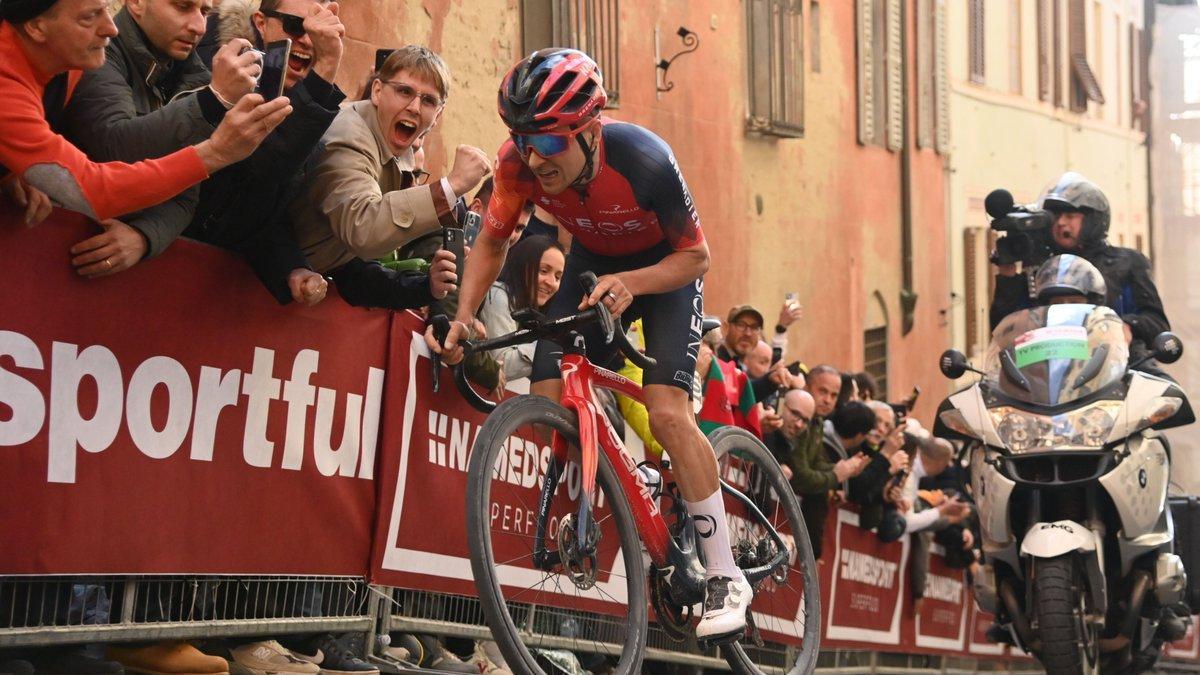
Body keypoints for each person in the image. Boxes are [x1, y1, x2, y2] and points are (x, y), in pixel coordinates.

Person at [429, 48, 751, 641]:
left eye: (550, 143)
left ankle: (727, 576)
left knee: (665, 412)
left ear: (590, 129)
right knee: (551, 394)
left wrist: (633, 283)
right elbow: (494, 244)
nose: (534, 157)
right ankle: (637, 482)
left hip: (665, 272)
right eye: (523, 140)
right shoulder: (518, 166)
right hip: (594, 262)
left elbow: (697, 256)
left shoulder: (644, 159)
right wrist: (465, 316)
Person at [0, 0, 291, 228]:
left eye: (104, 8)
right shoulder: (8, 88)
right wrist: (216, 152)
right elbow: (93, 186)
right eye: (89, 16)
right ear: (36, 27)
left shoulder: (74, 56)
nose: (110, 28)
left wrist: (17, 170)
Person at [290, 45, 487, 308]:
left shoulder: (393, 149)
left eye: (428, 100)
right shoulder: (350, 134)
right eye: (404, 91)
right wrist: (451, 187)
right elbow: (363, 231)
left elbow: (352, 269)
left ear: (438, 115)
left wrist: (427, 285)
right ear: (377, 91)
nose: (415, 107)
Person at [182, 0, 350, 305]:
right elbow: (259, 168)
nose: (309, 40)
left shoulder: (306, 106)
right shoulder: (212, 76)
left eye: (319, 31)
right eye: (295, 26)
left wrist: (292, 267)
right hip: (160, 263)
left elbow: (264, 209)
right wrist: (325, 68)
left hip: (212, 297)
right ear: (261, 23)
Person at [989, 172, 1169, 363]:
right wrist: (1007, 272)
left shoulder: (1127, 262)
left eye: (1070, 215)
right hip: (1046, 369)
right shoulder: (1041, 269)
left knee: (1170, 391)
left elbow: (1158, 324)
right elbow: (1003, 331)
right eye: (1055, 216)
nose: (1061, 223)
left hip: (1121, 365)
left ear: (1093, 220)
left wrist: (1129, 326)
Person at [789, 365, 867, 558]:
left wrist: (843, 470)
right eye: (822, 391)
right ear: (806, 387)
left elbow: (814, 464)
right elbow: (801, 477)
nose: (828, 400)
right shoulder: (799, 417)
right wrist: (835, 475)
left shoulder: (818, 422)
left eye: (834, 395)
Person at [476, 234, 565, 381]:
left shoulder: (539, 312)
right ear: (522, 266)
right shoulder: (498, 295)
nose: (551, 282)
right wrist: (550, 346)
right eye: (543, 271)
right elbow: (502, 365)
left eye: (558, 277)